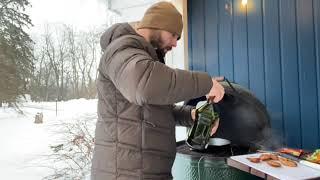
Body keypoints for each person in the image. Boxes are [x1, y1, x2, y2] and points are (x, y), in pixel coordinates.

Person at [91, 2, 225, 180]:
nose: (175, 44)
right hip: (125, 173)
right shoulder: (121, 50)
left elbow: (154, 110)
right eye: (174, 35)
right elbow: (144, 85)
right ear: (158, 24)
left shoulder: (143, 58)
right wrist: (205, 83)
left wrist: (190, 115)